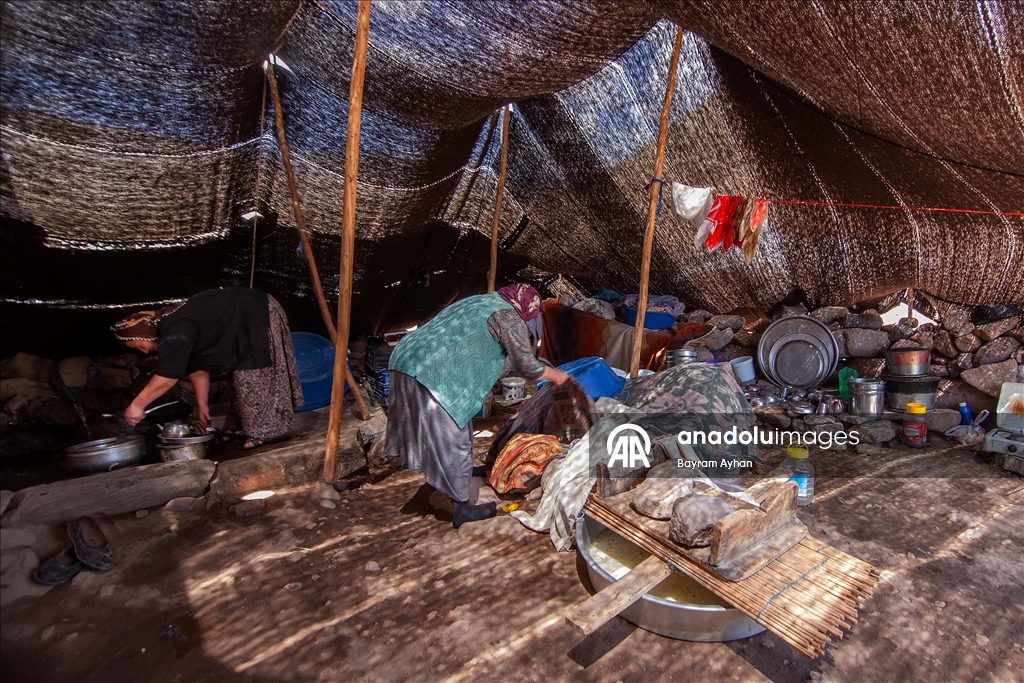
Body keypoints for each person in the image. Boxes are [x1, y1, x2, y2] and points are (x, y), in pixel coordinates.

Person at [385, 283, 570, 528]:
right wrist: (558, 376)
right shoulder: (510, 317)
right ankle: (462, 507)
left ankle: (458, 475)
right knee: (454, 436)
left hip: (405, 358)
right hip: (433, 373)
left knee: (449, 424)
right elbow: (526, 365)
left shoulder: (483, 301)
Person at [112, 287, 304, 450]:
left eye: (139, 346)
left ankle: (266, 431)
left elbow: (167, 377)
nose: (144, 352)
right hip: (242, 315)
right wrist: (202, 404)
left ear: (144, 334)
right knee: (239, 379)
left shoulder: (173, 331)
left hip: (255, 311)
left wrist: (137, 406)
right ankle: (240, 427)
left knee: (254, 373)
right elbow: (197, 367)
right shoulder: (170, 327)